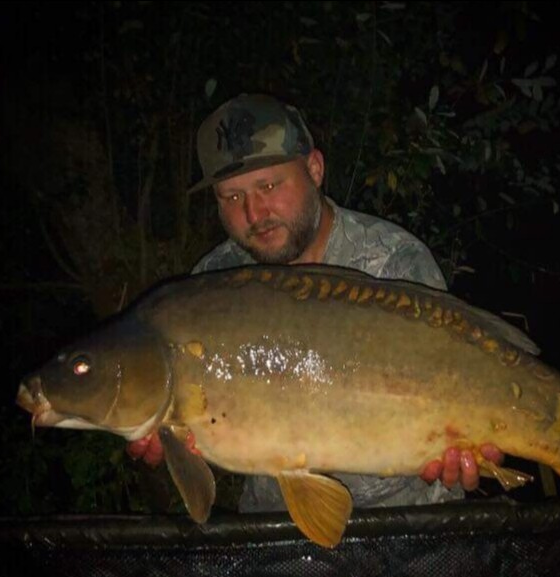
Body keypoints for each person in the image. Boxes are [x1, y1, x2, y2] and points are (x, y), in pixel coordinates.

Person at [128, 93, 505, 512]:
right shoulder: (211, 286)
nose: (254, 213)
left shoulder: (393, 261)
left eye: (268, 186)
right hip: (277, 520)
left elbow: (461, 392)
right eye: (231, 197)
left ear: (314, 169)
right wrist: (172, 438)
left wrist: (465, 452)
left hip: (406, 515)